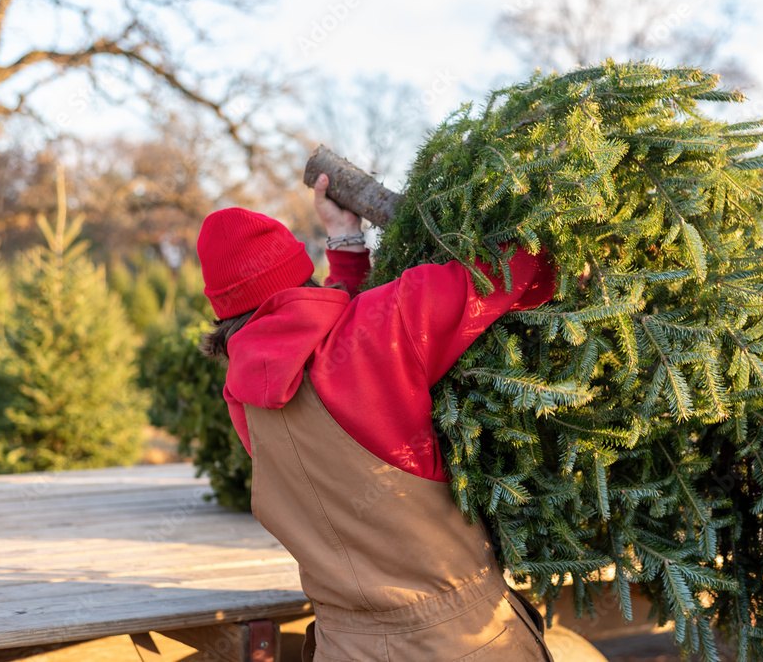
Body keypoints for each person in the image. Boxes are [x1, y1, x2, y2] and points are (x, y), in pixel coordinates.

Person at [197, 173, 557, 661]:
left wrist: (346, 246)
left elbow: (307, 337)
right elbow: (510, 264)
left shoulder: (244, 398)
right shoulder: (381, 326)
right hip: (462, 642)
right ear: (298, 277)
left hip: (342, 647)